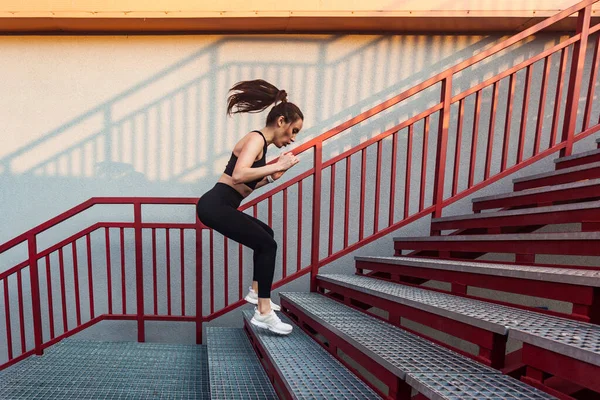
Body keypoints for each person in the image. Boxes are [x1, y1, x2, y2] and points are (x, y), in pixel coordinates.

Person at [196, 79, 303, 335]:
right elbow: (238, 175)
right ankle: (263, 312)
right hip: (216, 204)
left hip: (222, 203)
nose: (293, 138)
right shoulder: (256, 139)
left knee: (267, 235)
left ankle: (257, 294)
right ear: (281, 122)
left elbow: (245, 185)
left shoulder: (261, 145)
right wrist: (277, 165)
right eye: (294, 130)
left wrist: (270, 177)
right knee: (267, 245)